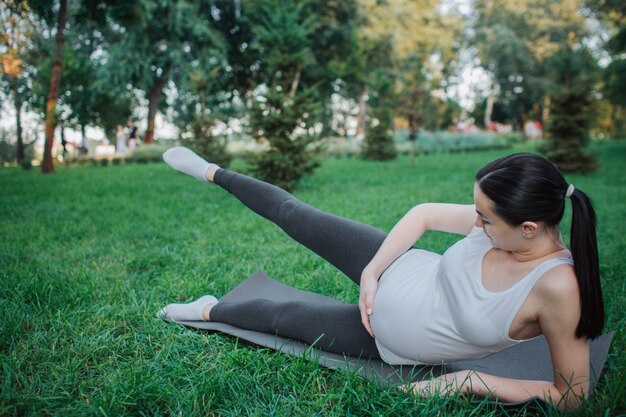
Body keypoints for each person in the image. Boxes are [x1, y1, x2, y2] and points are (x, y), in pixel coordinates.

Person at [158, 147, 603, 410]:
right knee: (296, 215)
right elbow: (424, 214)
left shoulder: (557, 288)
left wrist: (466, 380)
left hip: (386, 341)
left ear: (528, 228)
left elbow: (573, 396)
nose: (477, 224)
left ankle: (208, 307)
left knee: (281, 316)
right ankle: (211, 171)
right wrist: (371, 272)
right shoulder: (506, 225)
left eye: (485, 220)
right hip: (395, 268)